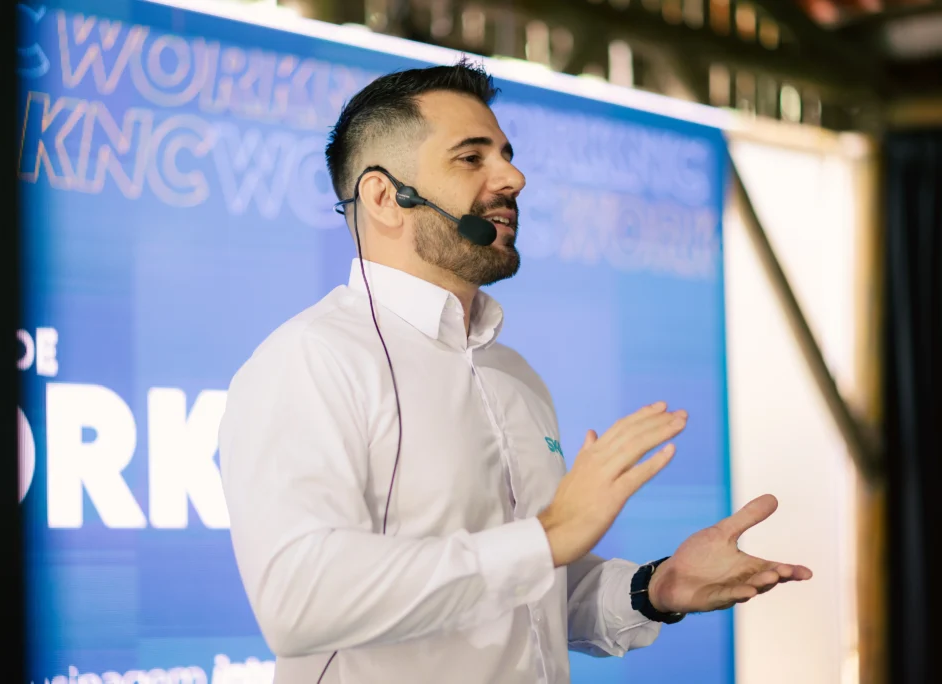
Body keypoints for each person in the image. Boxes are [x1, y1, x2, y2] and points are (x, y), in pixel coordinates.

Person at [217, 60, 812, 684]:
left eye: (505, 153)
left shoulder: (510, 372)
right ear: (384, 198)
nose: (514, 177)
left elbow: (534, 593)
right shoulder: (310, 361)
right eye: (471, 158)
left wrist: (655, 588)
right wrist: (549, 536)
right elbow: (300, 601)